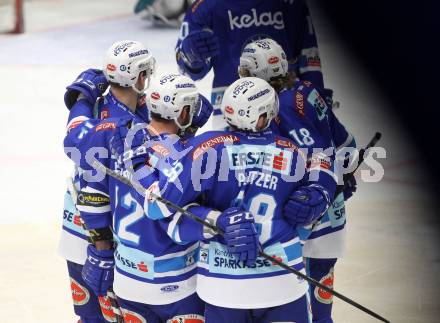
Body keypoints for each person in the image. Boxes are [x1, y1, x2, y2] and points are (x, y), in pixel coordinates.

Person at [115, 77, 338, 323]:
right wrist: (322, 190)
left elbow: (158, 207)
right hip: (283, 282)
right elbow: (325, 165)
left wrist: (215, 221)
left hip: (222, 286)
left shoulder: (206, 147)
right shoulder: (293, 151)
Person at [67, 73, 215, 323]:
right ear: (182, 113)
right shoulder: (190, 154)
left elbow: (92, 193)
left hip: (127, 278)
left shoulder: (116, 139)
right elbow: (181, 212)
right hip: (177, 281)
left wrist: (100, 250)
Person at [238, 38, 357, 323]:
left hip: (303, 212)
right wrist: (341, 176)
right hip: (332, 212)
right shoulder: (307, 89)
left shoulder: (277, 106)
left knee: (296, 303)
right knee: (321, 299)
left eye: (244, 71)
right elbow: (347, 145)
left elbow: (310, 157)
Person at [60, 39, 156, 323]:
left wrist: (81, 97)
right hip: (100, 236)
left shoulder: (98, 107)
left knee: (91, 318)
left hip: (76, 226)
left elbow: (74, 130)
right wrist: (101, 247)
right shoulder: (120, 125)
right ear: (138, 77)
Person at [175, 0, 327, 129]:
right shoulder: (205, 7)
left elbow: (308, 55)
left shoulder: (291, 3)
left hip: (287, 106)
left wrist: (316, 99)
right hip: (232, 110)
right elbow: (186, 71)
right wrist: (190, 56)